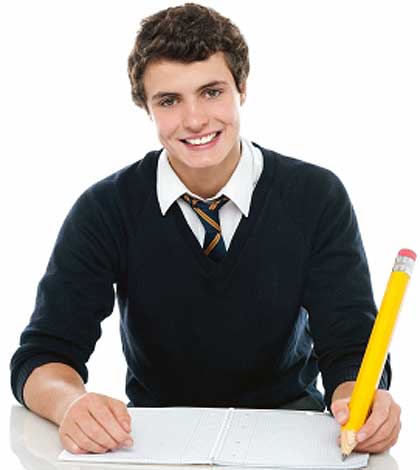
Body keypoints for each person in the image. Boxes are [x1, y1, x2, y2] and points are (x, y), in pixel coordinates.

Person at [10, 2, 401, 456]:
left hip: (291, 432)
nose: (195, 120)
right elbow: (42, 355)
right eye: (170, 101)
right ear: (146, 107)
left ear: (242, 88)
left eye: (212, 92)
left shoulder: (316, 196)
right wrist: (71, 404)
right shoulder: (106, 209)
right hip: (154, 441)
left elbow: (351, 343)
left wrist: (358, 400)